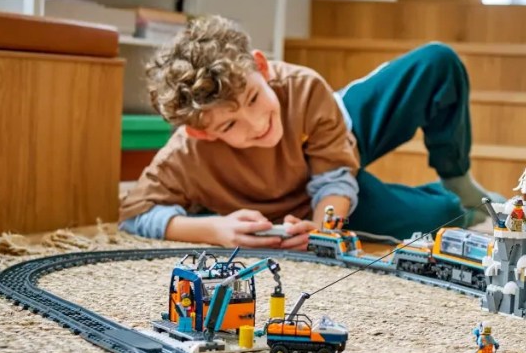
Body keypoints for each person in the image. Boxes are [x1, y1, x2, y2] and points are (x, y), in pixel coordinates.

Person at [119, 15, 505, 250]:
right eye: (230, 124)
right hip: (296, 206)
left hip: (331, 151)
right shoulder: (185, 153)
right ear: (204, 135)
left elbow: (335, 175)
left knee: (437, 62)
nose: (257, 125)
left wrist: (323, 230)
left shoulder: (302, 86)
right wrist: (214, 230)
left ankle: (457, 179)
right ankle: (454, 202)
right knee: (444, 215)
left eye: (254, 97)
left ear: (262, 67)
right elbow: (134, 214)